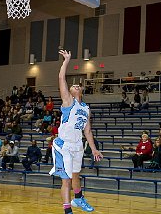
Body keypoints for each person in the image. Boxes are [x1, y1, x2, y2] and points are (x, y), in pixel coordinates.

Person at [49, 50, 103, 214]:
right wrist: (66, 61)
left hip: (78, 145)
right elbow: (61, 79)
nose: (76, 85)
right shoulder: (68, 101)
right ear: (70, 92)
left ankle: (78, 199)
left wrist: (93, 148)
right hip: (63, 145)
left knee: (75, 176)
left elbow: (87, 131)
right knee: (66, 180)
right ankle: (68, 211)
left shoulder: (86, 108)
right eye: (73, 85)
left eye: (78, 85)